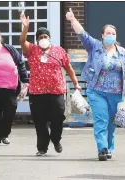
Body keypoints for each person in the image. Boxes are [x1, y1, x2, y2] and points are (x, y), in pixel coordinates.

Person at [66, 8, 125, 161]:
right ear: (102, 35)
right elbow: (82, 34)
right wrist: (72, 20)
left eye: (113, 33)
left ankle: (109, 147)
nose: (110, 35)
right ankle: (102, 149)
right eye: (108, 33)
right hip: (96, 91)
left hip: (116, 93)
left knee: (111, 123)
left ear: (116, 36)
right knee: (101, 119)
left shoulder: (123, 53)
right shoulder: (95, 46)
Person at [19, 13, 81, 156]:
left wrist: (76, 83)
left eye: (45, 36)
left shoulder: (59, 51)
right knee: (39, 122)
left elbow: (68, 68)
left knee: (58, 118)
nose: (43, 39)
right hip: (37, 93)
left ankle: (56, 139)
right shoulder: (32, 50)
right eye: (40, 37)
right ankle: (42, 147)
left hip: (56, 91)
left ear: (49, 38)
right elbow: (23, 42)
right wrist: (25, 28)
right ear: (37, 40)